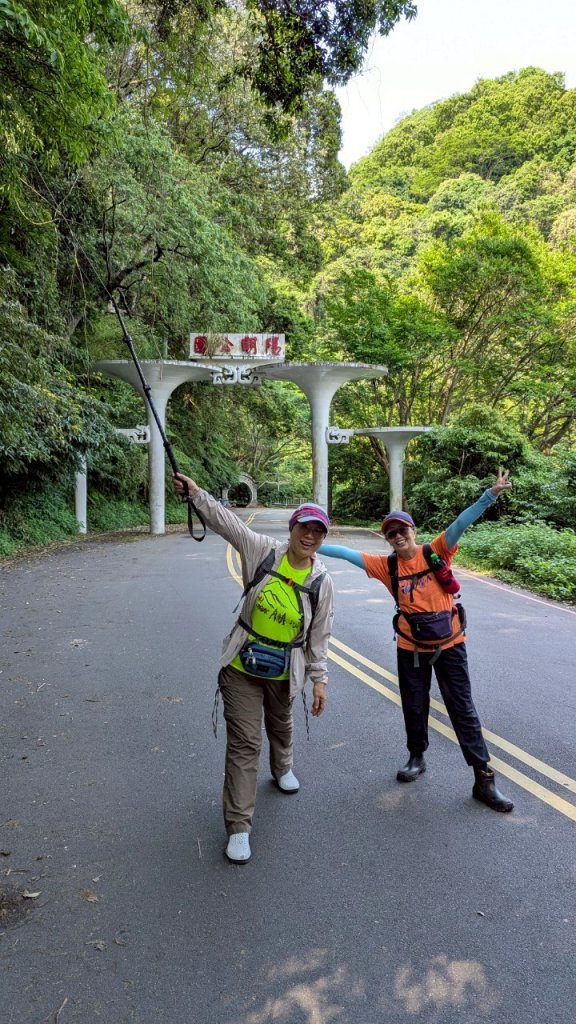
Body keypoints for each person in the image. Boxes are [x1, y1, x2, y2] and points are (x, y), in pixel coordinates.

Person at [318, 468, 514, 813]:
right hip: (410, 646)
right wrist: (312, 541)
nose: (397, 536)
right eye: (391, 533)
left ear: (413, 531)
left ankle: (484, 779)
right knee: (414, 704)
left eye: (401, 530)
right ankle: (417, 756)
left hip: (450, 643)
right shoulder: (386, 566)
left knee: (462, 709)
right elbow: (346, 553)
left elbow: (461, 523)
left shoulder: (435, 550)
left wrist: (490, 494)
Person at [173, 474, 334, 863]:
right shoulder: (262, 549)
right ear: (291, 528)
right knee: (246, 744)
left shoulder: (321, 580)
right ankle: (239, 826)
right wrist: (197, 495)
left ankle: (283, 767)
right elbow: (225, 521)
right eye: (304, 527)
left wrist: (319, 680)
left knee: (280, 724)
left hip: (284, 671)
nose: (309, 536)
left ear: (322, 538)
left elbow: (319, 636)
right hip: (243, 666)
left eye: (318, 531)